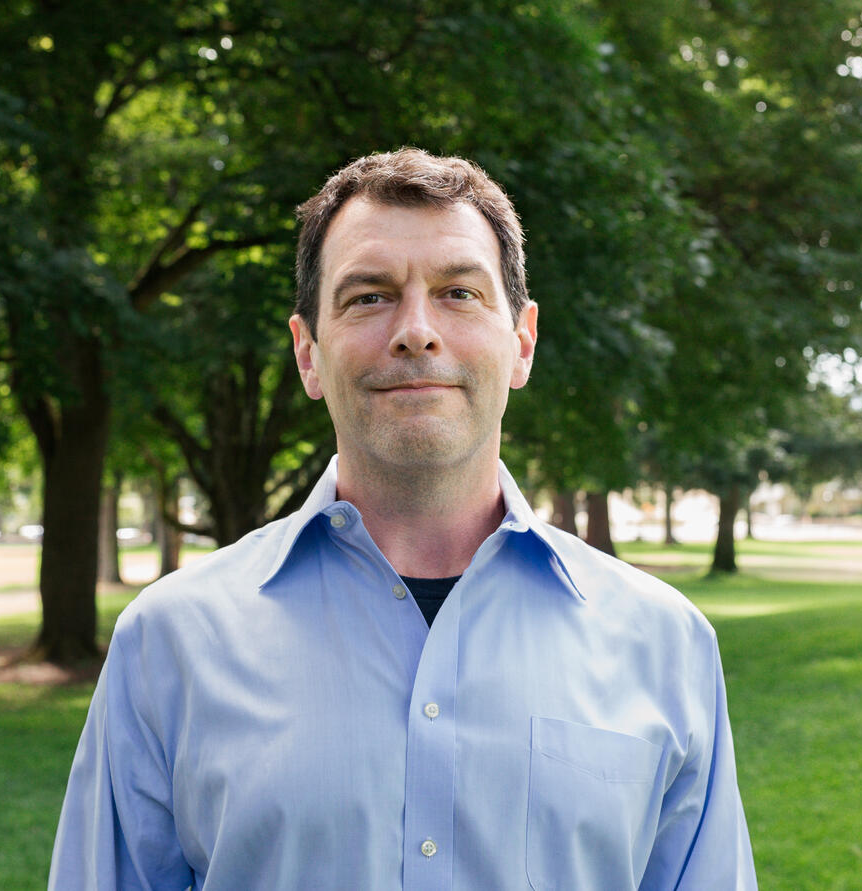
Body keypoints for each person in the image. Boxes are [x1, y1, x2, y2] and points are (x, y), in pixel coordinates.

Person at [49, 148, 757, 890]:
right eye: (368, 296)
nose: (415, 330)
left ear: (523, 341)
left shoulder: (666, 646)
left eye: (458, 293)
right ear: (307, 354)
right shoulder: (169, 645)